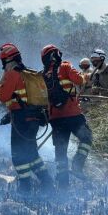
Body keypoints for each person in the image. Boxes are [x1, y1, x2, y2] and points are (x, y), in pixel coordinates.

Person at [0, 43, 54, 193]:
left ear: (8, 60)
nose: (2, 64)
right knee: (32, 154)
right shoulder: (28, 72)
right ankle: (47, 184)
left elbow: (2, 96)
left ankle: (25, 189)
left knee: (18, 156)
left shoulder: (13, 74)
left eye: (3, 60)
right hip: (34, 119)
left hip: (21, 120)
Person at [41, 44, 93, 189]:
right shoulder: (65, 66)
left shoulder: (42, 75)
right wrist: (86, 76)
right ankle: (77, 165)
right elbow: (79, 80)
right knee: (87, 138)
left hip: (55, 119)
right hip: (73, 115)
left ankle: (63, 184)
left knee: (60, 150)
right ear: (56, 55)